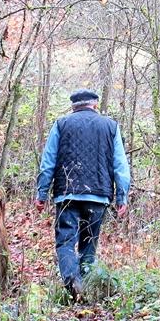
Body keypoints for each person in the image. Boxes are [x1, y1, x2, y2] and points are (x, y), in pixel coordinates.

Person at [35, 89, 130, 299]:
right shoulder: (110, 126)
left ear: (73, 106)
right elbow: (120, 165)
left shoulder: (61, 124)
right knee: (89, 242)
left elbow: (48, 162)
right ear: (94, 105)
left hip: (67, 194)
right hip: (98, 195)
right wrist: (121, 196)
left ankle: (73, 284)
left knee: (65, 242)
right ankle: (85, 287)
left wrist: (41, 193)